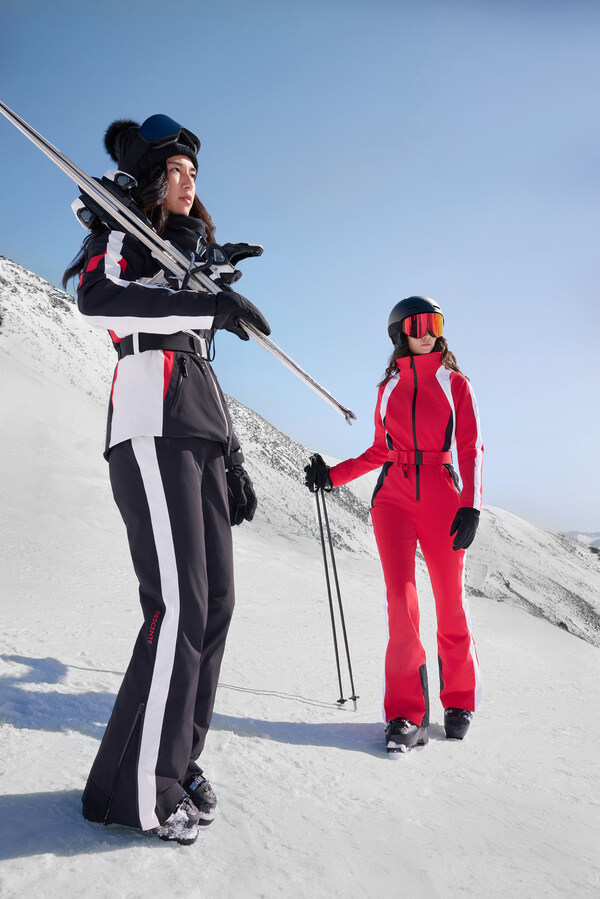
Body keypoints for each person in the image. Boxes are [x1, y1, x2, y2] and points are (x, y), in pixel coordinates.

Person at [63, 114, 270, 843]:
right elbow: (99, 298)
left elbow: (199, 358)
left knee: (215, 604)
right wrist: (205, 298)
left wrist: (233, 457)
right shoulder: (121, 231)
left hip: (200, 426)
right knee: (177, 604)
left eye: (194, 174)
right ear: (151, 177)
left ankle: (175, 760)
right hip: (151, 421)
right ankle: (139, 791)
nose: (188, 183)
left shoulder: (182, 258)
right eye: (175, 171)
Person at [304, 296, 483, 754]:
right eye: (418, 324)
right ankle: (406, 713)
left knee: (450, 602)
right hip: (393, 500)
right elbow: (379, 450)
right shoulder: (388, 388)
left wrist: (472, 505)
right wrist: (333, 476)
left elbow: (471, 448)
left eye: (435, 323)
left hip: (443, 497)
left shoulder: (455, 383)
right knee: (401, 604)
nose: (429, 333)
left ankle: (459, 700)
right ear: (400, 332)